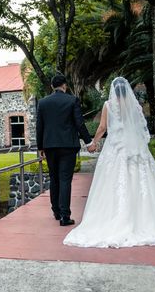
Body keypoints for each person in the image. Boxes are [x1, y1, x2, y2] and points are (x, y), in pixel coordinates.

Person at [63, 77, 155, 248]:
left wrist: (93, 142)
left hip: (116, 147)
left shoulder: (108, 105)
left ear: (113, 90)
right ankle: (147, 219)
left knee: (112, 180)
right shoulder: (134, 105)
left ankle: (114, 218)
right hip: (134, 147)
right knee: (141, 179)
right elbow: (139, 127)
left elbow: (103, 127)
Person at [36, 74, 93, 226]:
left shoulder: (42, 103)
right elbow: (80, 124)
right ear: (64, 86)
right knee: (65, 180)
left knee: (54, 179)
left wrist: (40, 147)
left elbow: (39, 127)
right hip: (68, 146)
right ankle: (65, 216)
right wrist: (89, 142)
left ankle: (56, 211)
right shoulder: (72, 100)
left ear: (52, 86)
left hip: (50, 146)